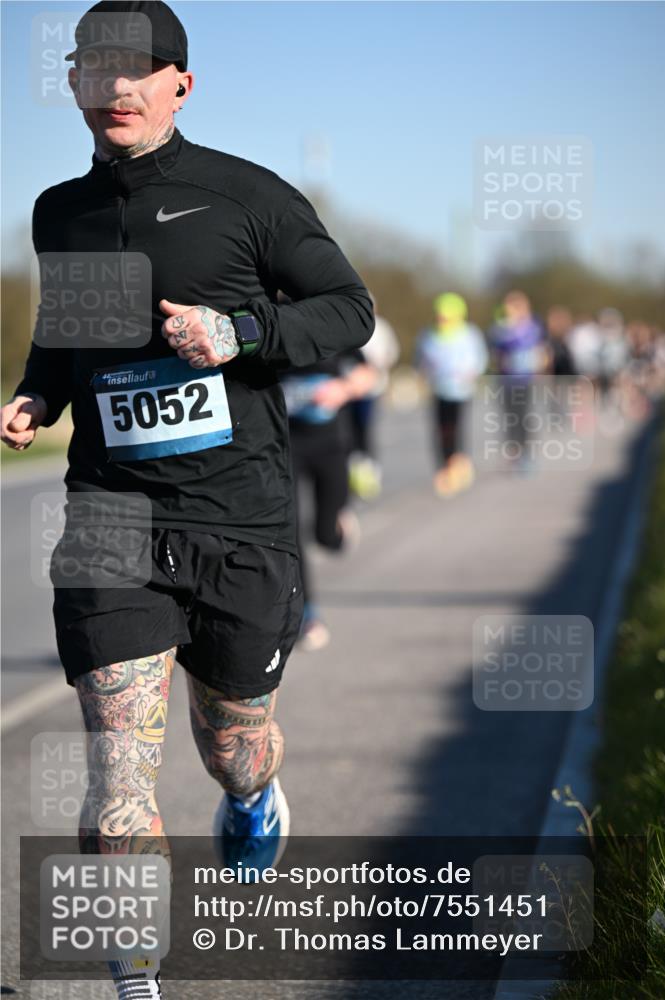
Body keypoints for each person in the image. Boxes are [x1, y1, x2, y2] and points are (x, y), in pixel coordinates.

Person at [0, 3, 373, 997]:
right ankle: (135, 978)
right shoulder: (57, 210)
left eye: (137, 68)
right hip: (111, 517)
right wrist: (41, 392)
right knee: (117, 770)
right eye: (94, 67)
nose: (114, 86)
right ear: (73, 81)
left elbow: (349, 312)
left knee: (233, 743)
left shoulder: (248, 197)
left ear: (179, 84)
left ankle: (253, 796)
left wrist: (241, 334)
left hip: (238, 521)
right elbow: (69, 330)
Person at [281, 324, 377, 650]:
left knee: (325, 535)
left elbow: (369, 374)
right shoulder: (273, 324)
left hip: (331, 444)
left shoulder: (330, 326)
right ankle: (308, 615)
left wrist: (344, 389)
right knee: (291, 532)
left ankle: (337, 529)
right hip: (288, 444)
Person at [415, 292, 488, 496]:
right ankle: (444, 468)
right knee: (440, 431)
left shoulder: (469, 334)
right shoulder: (428, 335)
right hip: (438, 389)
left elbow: (479, 360)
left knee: (455, 429)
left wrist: (470, 373)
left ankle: (457, 465)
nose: (442, 319)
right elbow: (420, 360)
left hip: (461, 391)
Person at [488, 290, 548, 473]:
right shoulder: (500, 329)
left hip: (525, 379)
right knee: (510, 417)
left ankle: (526, 454)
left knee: (523, 417)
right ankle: (514, 452)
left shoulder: (533, 327)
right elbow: (495, 353)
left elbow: (542, 351)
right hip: (506, 379)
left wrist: (541, 368)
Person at [347, 294, 400, 500]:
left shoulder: (382, 327)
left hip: (373, 388)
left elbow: (391, 353)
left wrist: (378, 364)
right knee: (351, 431)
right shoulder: (348, 325)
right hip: (350, 389)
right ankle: (354, 469)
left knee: (366, 428)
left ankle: (370, 469)